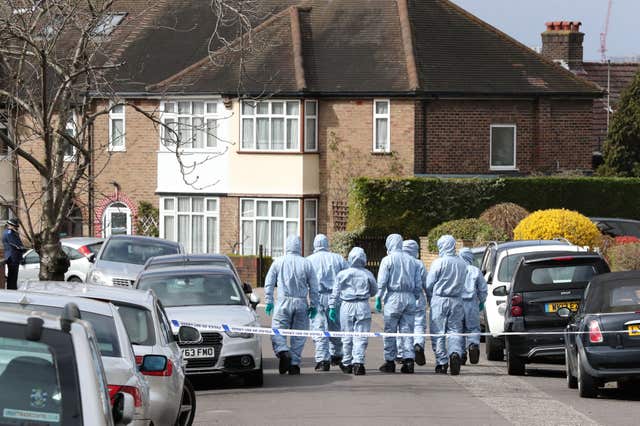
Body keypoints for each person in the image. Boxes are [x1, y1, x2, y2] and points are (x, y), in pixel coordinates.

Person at [264, 235, 319, 375]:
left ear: (286, 246)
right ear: (299, 247)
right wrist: (313, 305)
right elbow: (314, 286)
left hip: (283, 302)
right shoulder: (306, 263)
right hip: (301, 302)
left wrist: (269, 300)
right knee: (299, 334)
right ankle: (294, 364)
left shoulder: (278, 262)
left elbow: (269, 282)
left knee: (277, 330)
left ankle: (283, 352)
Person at [376, 234, 422, 374]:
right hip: (409, 298)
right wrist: (415, 296)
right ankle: (409, 361)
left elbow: (382, 281)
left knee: (390, 330)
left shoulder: (387, 260)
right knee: (407, 330)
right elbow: (418, 283)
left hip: (393, 297)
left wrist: (379, 297)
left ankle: (390, 361)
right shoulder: (412, 261)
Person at [329, 247, 377, 376]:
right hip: (363, 305)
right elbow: (374, 290)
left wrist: (332, 307)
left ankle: (346, 363)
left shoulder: (342, 274)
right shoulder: (367, 274)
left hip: (346, 305)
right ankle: (358, 363)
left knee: (347, 335)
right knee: (361, 335)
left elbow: (335, 293)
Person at [426, 235, 467, 375]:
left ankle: (441, 362)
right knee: (455, 330)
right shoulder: (462, 263)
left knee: (438, 332)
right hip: (456, 300)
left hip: (440, 299)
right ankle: (455, 353)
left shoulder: (439, 262)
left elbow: (429, 283)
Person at [306, 234, 348, 371]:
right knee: (335, 326)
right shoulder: (338, 258)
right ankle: (337, 354)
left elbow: (303, 280)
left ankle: (323, 360)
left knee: (318, 328)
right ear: (327, 244)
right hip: (335, 297)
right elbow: (349, 275)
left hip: (317, 297)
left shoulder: (309, 260)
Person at [398, 240, 428, 366]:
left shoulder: (398, 261)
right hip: (417, 297)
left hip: (399, 297)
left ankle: (401, 353)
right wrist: (430, 298)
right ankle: (418, 344)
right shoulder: (419, 264)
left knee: (402, 326)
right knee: (419, 324)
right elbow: (426, 282)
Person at [459, 248, 488, 365]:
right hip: (471, 303)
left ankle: (460, 353)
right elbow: (483, 289)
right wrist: (481, 301)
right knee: (473, 328)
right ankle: (473, 345)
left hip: (457, 303)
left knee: (458, 330)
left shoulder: (456, 269)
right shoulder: (475, 270)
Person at [2, 219, 26, 290]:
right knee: (12, 275)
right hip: (12, 256)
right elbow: (16, 244)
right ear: (10, 225)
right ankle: (12, 289)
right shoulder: (9, 233)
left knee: (13, 274)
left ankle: (12, 288)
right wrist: (23, 248)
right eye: (15, 226)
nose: (16, 228)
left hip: (14, 256)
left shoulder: (12, 232)